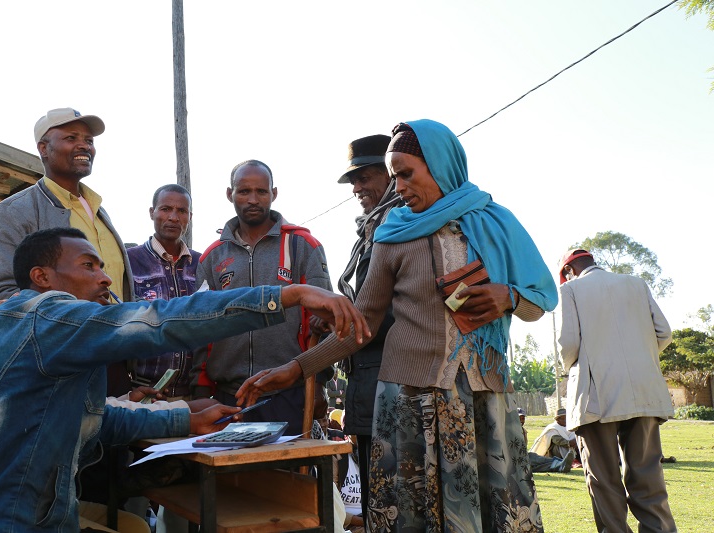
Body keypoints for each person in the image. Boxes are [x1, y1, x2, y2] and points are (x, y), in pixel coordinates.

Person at [0, 228, 368, 532]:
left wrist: (185, 419)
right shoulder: (40, 316)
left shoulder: (50, 338)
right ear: (43, 278)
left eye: (103, 267)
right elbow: (158, 320)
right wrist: (284, 296)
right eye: (89, 266)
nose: (103, 277)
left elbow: (98, 420)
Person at [238, 119, 558, 532]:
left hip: (482, 399)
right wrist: (298, 368)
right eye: (394, 176)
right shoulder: (393, 234)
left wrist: (508, 296)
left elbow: (538, 303)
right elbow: (362, 325)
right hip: (409, 404)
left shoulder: (496, 222)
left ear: (441, 165)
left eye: (407, 173)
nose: (399, 187)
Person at [191, 159, 333, 434]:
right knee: (231, 477)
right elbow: (200, 325)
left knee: (291, 477)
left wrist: (318, 384)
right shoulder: (212, 257)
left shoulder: (304, 246)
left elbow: (324, 323)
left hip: (290, 393)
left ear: (274, 193)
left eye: (261, 191)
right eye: (244, 191)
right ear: (230, 194)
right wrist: (200, 389)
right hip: (228, 397)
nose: (253, 199)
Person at [557, 248, 677, 532]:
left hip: (595, 397)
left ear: (569, 271)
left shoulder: (570, 290)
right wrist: (639, 360)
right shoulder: (636, 283)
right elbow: (664, 333)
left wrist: (575, 364)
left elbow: (569, 345)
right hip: (644, 392)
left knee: (604, 480)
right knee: (648, 478)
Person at [0, 107, 133, 305]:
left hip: (115, 334)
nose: (84, 146)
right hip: (66, 334)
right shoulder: (16, 210)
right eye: (71, 138)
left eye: (89, 140)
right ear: (43, 148)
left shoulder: (99, 211)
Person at [331, 133, 403, 519]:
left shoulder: (401, 227)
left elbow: (386, 313)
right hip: (364, 384)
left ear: (391, 175)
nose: (357, 188)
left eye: (365, 177)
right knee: (376, 501)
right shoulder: (370, 232)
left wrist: (342, 323)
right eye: (353, 181)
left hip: (392, 387)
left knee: (394, 499)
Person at [127, 184, 199, 399]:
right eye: (166, 209)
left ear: (190, 217)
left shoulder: (202, 263)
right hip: (140, 393)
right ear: (152, 213)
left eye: (182, 211)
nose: (174, 217)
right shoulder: (129, 261)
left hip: (192, 394)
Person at [518, 408, 574, 474]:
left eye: (523, 419)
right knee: (532, 461)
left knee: (534, 458)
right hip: (513, 459)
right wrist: (570, 443)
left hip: (521, 456)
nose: (521, 421)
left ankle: (560, 464)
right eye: (519, 418)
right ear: (557, 419)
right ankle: (559, 464)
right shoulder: (553, 428)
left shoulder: (523, 431)